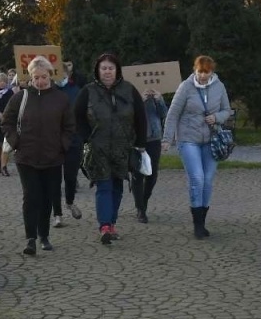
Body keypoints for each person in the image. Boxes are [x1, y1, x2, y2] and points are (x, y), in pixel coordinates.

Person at [2, 57, 74, 256]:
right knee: (31, 196)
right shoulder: (20, 97)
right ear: (30, 77)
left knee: (47, 198)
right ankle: (30, 238)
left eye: (43, 77)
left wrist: (62, 145)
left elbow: (69, 126)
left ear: (50, 76)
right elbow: (6, 122)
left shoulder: (61, 98)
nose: (40, 81)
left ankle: (44, 235)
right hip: (27, 156)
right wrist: (16, 141)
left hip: (53, 157)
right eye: (36, 77)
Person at [76, 52, 146, 245]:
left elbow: (140, 117)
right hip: (98, 146)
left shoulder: (129, 90)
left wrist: (140, 144)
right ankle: (105, 225)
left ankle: (112, 223)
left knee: (117, 186)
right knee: (104, 184)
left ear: (117, 70)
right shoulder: (88, 91)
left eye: (111, 68)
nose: (107, 72)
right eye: (103, 68)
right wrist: (85, 138)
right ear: (98, 71)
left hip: (123, 147)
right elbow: (78, 116)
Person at [164, 55, 234, 238]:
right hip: (188, 138)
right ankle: (197, 224)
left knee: (208, 179)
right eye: (200, 71)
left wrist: (217, 117)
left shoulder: (219, 87)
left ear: (212, 71)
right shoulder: (185, 87)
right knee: (197, 178)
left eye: (207, 72)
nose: (203, 75)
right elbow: (173, 114)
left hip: (210, 139)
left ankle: (202, 220)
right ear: (195, 69)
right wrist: (167, 139)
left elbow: (227, 110)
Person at [52, 62, 86, 227]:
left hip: (73, 139)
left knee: (71, 176)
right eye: (56, 74)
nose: (60, 77)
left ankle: (70, 201)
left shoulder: (76, 90)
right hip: (54, 141)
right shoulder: (48, 91)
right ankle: (57, 213)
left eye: (63, 74)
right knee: (54, 178)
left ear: (68, 75)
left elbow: (83, 113)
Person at [132, 86, 168, 223]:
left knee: (152, 175)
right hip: (137, 139)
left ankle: (144, 201)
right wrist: (140, 100)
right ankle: (140, 209)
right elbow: (128, 115)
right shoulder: (131, 95)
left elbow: (164, 114)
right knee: (138, 174)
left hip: (154, 138)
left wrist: (159, 100)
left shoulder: (156, 95)